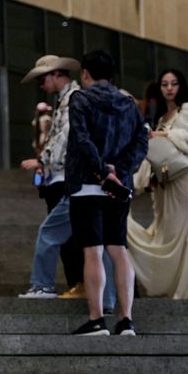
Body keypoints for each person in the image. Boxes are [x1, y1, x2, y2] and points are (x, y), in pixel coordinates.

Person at [17, 55, 116, 302]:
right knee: (98, 241)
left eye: (43, 77)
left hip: (77, 179)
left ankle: (43, 285)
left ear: (58, 74)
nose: (41, 83)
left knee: (54, 233)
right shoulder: (73, 100)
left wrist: (44, 161)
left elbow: (69, 139)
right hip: (93, 179)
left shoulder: (74, 99)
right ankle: (109, 298)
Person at [67, 50, 147, 336]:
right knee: (118, 248)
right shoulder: (128, 104)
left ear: (85, 73)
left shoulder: (81, 99)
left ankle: (96, 317)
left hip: (88, 184)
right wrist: (119, 170)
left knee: (93, 251)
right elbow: (141, 142)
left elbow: (82, 139)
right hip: (119, 186)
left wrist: (102, 171)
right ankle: (126, 319)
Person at [127, 69, 188, 299]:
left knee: (181, 236)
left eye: (173, 83)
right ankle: (171, 288)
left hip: (185, 179)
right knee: (166, 234)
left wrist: (165, 136)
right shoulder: (162, 117)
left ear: (180, 86)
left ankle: (183, 292)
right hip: (165, 182)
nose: (169, 88)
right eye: (165, 84)